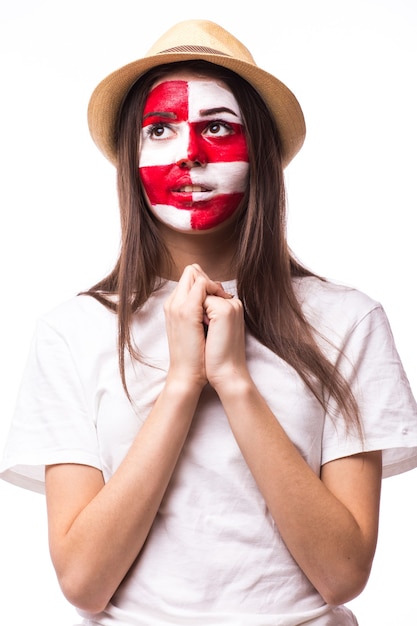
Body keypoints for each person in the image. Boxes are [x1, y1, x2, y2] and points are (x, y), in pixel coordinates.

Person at [1, 18, 417, 626]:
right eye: (160, 129)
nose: (189, 153)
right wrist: (181, 383)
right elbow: (83, 583)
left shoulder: (348, 321)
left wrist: (234, 380)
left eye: (217, 127)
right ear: (130, 158)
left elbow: (343, 574)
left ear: (263, 152)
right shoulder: (73, 331)